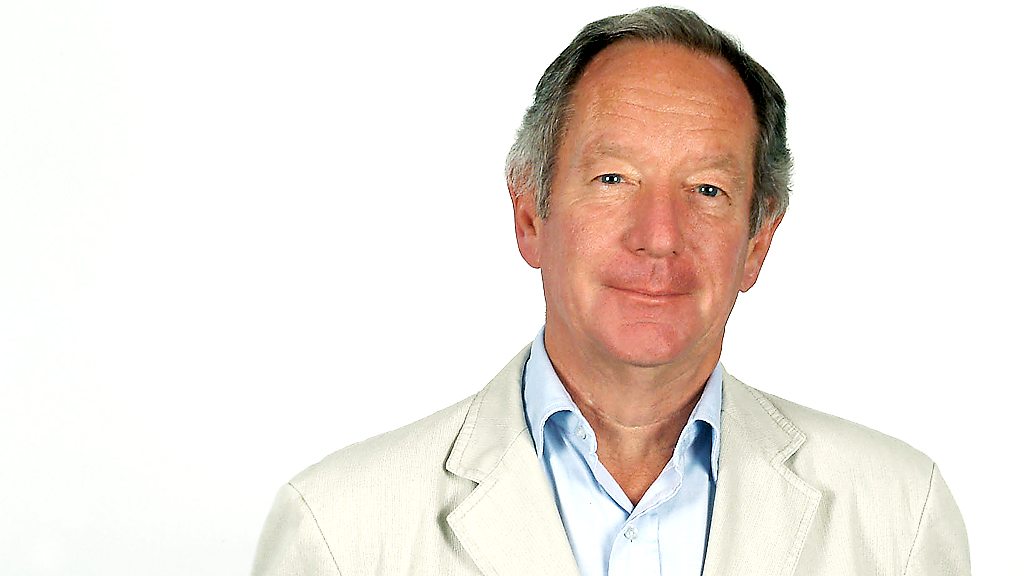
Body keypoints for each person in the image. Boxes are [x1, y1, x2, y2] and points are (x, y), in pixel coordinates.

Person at [251, 6, 970, 575]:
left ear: (758, 240)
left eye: (708, 189)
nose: (659, 235)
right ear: (530, 214)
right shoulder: (339, 531)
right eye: (612, 178)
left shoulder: (898, 515)